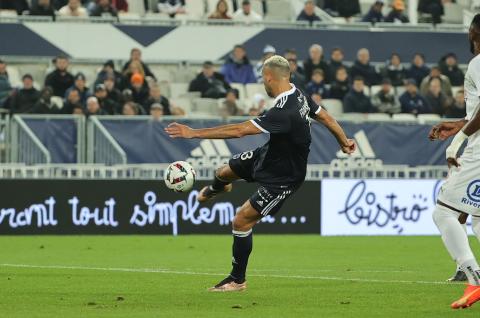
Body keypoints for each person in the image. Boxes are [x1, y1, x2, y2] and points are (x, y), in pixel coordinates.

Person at [165, 55, 355, 292]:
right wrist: (343, 141)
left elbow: (239, 131)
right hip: (268, 156)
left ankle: (237, 280)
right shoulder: (297, 93)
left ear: (268, 77)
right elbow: (324, 116)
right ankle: (218, 188)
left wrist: (193, 133)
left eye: (262, 80)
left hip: (284, 177)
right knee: (223, 172)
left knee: (241, 220)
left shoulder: (284, 112)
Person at [428, 14, 480, 309]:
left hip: (479, 151)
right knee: (479, 219)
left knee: (444, 213)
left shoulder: (478, 62)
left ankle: (474, 280)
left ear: (474, 33)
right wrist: (458, 124)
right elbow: (476, 114)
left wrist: (458, 140)